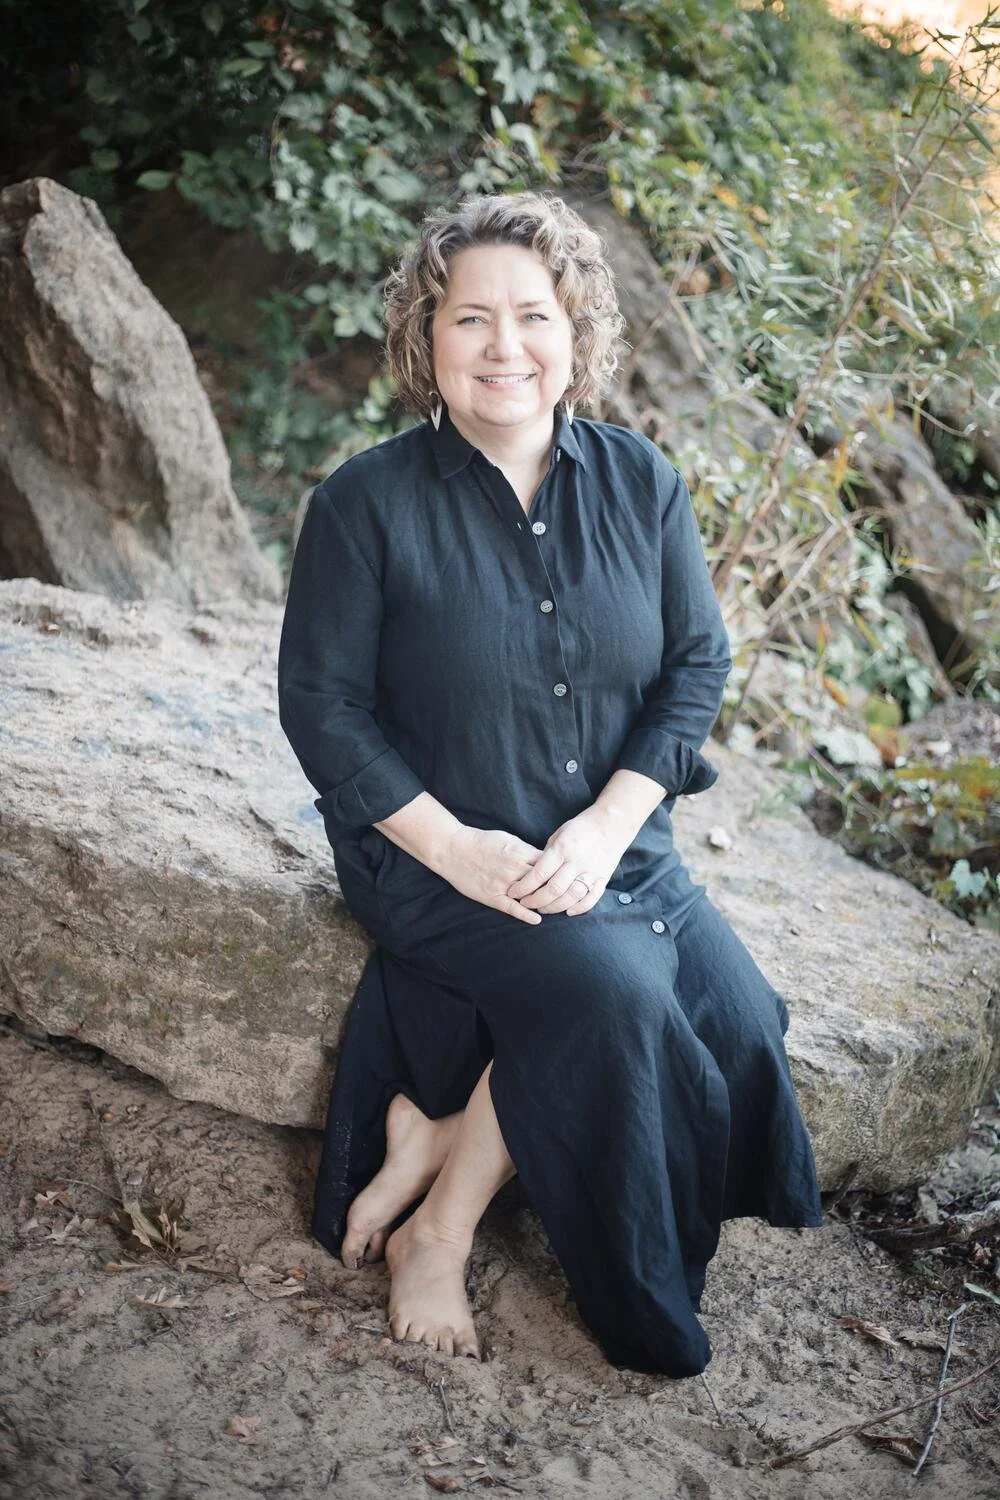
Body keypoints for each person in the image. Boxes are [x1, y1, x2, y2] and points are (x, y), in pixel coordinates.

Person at [276, 190, 823, 1377]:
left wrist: (614, 816)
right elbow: (322, 708)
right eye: (471, 319)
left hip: (612, 844)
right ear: (428, 338)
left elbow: (698, 661)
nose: (504, 348)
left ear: (577, 334)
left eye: (533, 316)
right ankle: (442, 1232)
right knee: (617, 994)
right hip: (436, 855)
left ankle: (435, 1134)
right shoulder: (364, 504)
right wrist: (456, 848)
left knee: (744, 1025)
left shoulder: (642, 483)